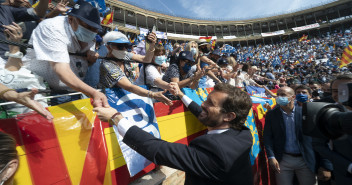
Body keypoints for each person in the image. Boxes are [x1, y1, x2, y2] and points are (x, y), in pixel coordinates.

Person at [94, 82, 253, 185]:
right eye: (206, 99)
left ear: (229, 116)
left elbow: (159, 149)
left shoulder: (216, 152)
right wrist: (181, 95)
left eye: (210, 103)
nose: (203, 104)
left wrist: (116, 118)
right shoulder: (242, 133)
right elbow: (202, 112)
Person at [22, 0, 108, 107]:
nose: (91, 31)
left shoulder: (90, 37)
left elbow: (80, 64)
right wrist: (93, 92)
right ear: (71, 19)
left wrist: (90, 61)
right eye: (87, 26)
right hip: (42, 93)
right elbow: (62, 70)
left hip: (74, 90)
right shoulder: (53, 28)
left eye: (95, 28)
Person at [98, 31, 172, 105]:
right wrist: (153, 95)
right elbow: (128, 86)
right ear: (108, 47)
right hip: (112, 102)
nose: (124, 49)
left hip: (126, 97)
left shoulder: (124, 55)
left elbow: (146, 59)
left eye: (126, 46)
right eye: (120, 46)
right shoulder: (107, 65)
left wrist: (152, 45)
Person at [264, 86, 316, 185]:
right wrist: (271, 156)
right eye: (278, 95)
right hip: (283, 160)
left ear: (293, 97)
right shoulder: (272, 114)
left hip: (304, 160)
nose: (279, 97)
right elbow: (267, 136)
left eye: (283, 95)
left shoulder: (305, 112)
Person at [312, 74, 352, 185]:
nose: (339, 94)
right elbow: (319, 145)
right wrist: (348, 166)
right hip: (341, 176)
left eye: (346, 89)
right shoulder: (322, 112)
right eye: (335, 91)